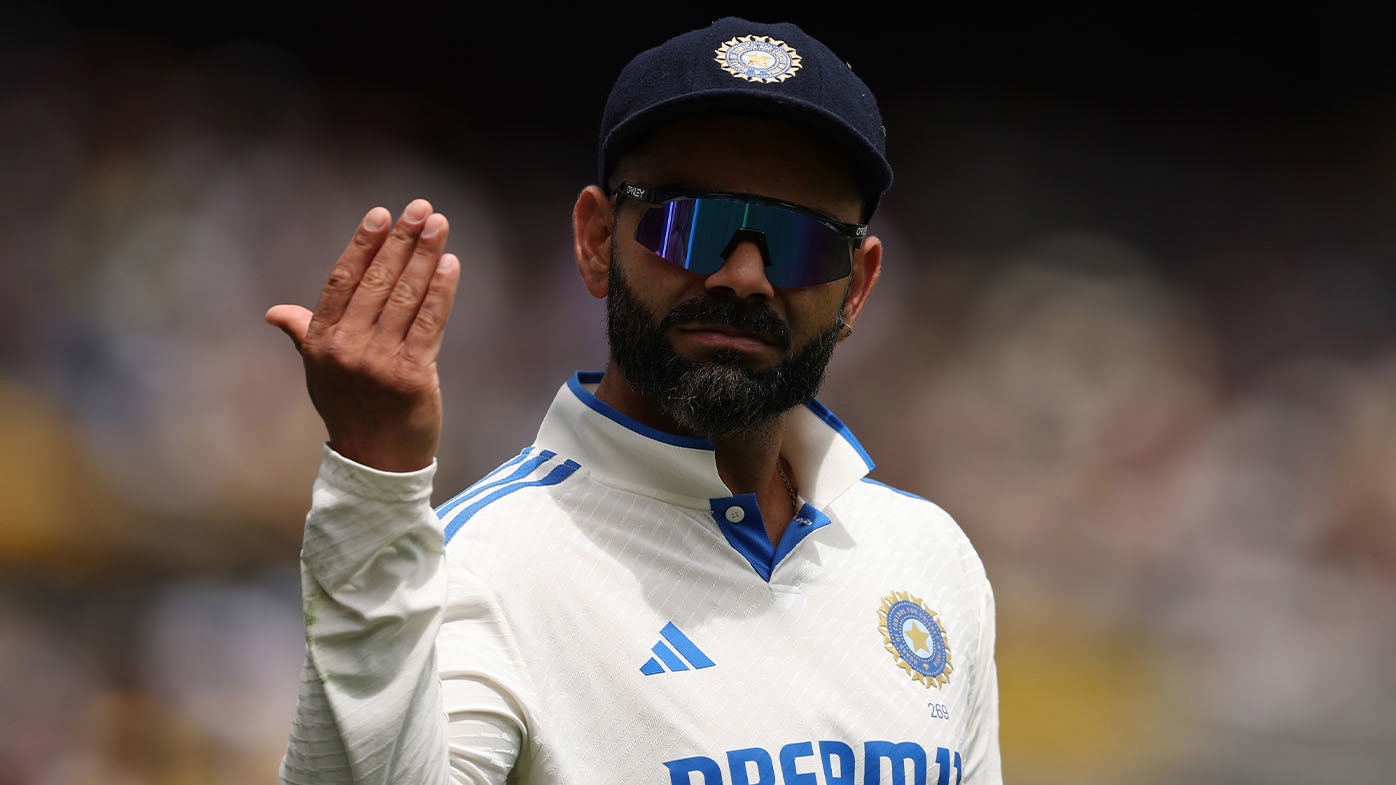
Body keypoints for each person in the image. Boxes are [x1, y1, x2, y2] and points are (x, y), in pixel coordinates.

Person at [268, 17, 1001, 785]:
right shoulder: (478, 567)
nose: (743, 276)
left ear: (856, 287)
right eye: (693, 223)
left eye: (800, 241)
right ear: (593, 240)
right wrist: (372, 480)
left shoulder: (929, 556)